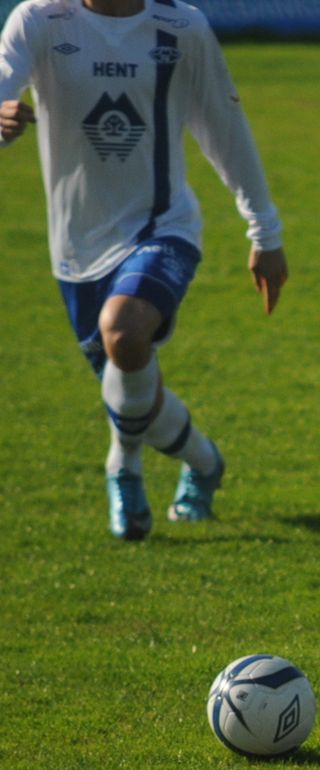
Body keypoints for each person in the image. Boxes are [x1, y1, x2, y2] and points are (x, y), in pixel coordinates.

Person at [1, 0, 285, 541]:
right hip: (76, 248)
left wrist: (264, 231)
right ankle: (204, 463)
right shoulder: (39, 19)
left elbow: (224, 125)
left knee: (124, 332)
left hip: (163, 227)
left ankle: (122, 469)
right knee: (129, 381)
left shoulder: (182, 26)